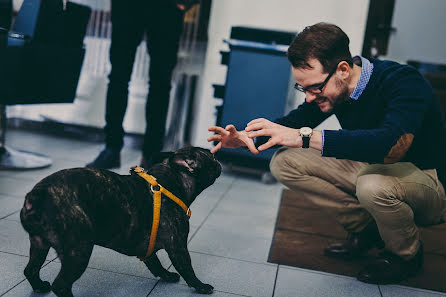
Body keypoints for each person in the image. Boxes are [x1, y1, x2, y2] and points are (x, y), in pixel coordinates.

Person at [207, 22, 446, 284]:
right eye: (303, 88)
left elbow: (388, 146)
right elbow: (294, 123)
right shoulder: (334, 91)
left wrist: (304, 137)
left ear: (343, 70)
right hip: (376, 170)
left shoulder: (404, 81)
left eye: (315, 88)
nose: (309, 97)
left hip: (428, 181)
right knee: (285, 162)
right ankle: (367, 229)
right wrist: (244, 139)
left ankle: (406, 255)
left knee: (372, 184)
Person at [87, 0, 198, 169]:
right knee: (118, 78)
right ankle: (112, 148)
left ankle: (152, 154)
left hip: (167, 7)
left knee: (160, 84)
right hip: (129, 5)